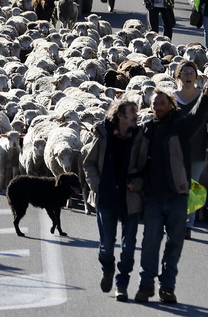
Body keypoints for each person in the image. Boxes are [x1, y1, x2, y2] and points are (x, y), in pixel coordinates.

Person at [132, 79, 208, 305]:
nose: (157, 107)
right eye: (154, 104)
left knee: (174, 243)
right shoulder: (146, 129)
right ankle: (146, 284)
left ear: (170, 105)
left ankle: (167, 287)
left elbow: (198, 115)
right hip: (153, 196)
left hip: (178, 196)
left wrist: (207, 94)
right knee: (150, 241)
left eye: (161, 103)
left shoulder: (181, 126)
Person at [82, 98, 143, 302]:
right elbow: (88, 163)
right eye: (132, 112)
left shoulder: (139, 137)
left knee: (128, 247)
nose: (136, 115)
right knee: (107, 245)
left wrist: (138, 183)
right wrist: (97, 185)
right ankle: (107, 269)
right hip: (106, 197)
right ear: (120, 115)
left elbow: (146, 166)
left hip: (130, 198)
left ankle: (122, 284)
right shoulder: (103, 135)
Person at [172, 61, 208, 238]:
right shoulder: (172, 99)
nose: (188, 75)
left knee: (191, 188)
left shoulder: (205, 99)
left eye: (192, 72)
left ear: (197, 77)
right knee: (175, 186)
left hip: (198, 150)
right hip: (175, 151)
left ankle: (187, 224)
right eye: (184, 72)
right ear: (178, 76)